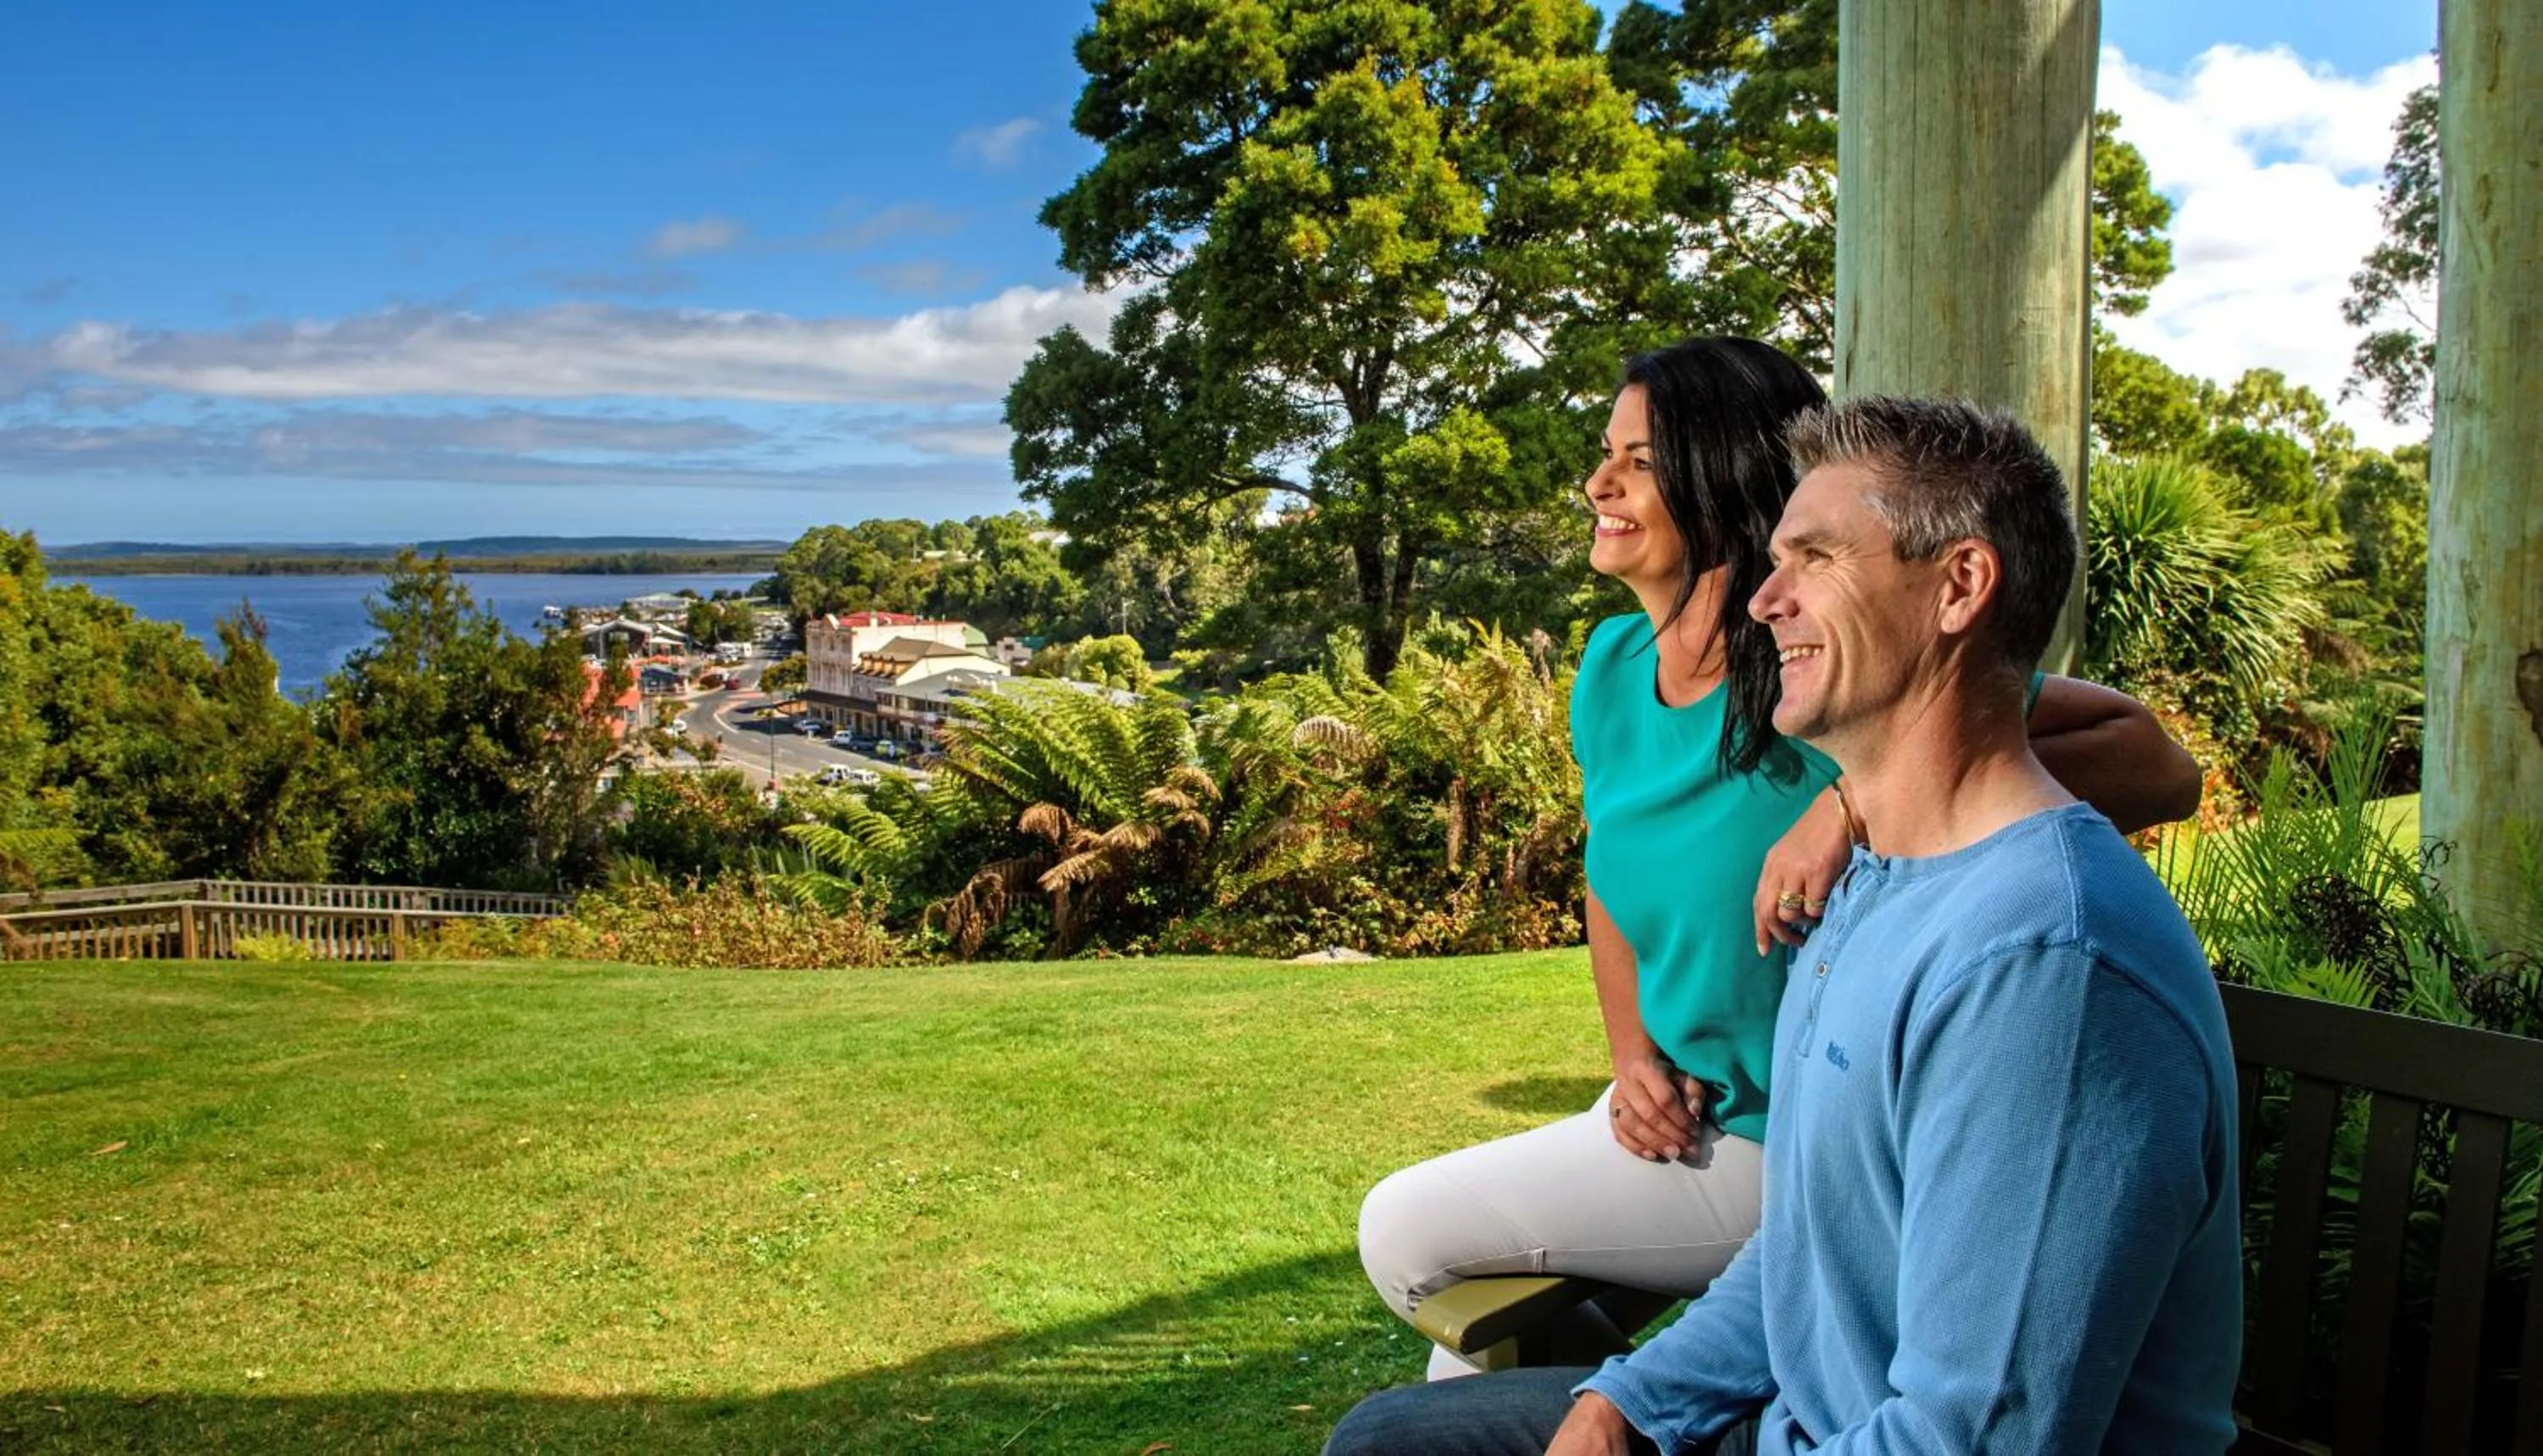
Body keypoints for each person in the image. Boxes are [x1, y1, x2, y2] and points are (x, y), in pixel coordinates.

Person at [1326, 396, 2242, 1455]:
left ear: (1961, 586)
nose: (1764, 601)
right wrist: (1632, 1399)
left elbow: (1975, 1438)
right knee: (1390, 1438)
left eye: (1815, 559)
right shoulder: (1871, 888)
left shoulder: (2046, 970)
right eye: (1774, 559)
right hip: (1799, 1415)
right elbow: (1806, 1247)